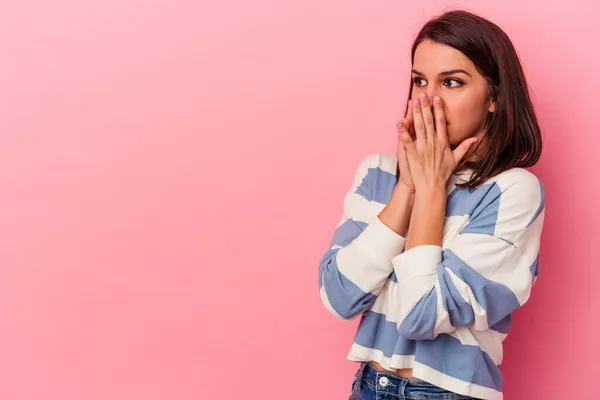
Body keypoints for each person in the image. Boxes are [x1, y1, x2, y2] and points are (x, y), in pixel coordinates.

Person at [317, 9, 545, 400]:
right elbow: (338, 297)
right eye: (419, 81)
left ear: (494, 97)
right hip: (368, 387)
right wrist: (408, 187)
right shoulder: (378, 174)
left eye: (452, 82)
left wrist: (432, 188)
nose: (428, 100)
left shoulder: (511, 192)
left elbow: (420, 314)